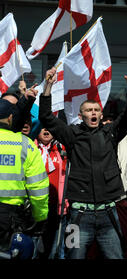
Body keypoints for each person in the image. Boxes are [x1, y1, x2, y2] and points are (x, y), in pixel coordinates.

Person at [39, 67, 127, 259]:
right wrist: (48, 86)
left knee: (117, 256)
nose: (93, 113)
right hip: (78, 216)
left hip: (109, 215)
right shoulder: (71, 134)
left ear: (101, 115)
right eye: (88, 110)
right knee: (73, 256)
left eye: (96, 110)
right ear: (81, 115)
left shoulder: (110, 133)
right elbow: (45, 117)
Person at [0, 99, 49, 258]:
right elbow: (38, 187)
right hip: (10, 219)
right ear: (10, 118)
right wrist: (40, 216)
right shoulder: (25, 144)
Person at [34, 128, 67, 259]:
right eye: (42, 126)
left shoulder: (62, 147)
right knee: (33, 251)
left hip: (57, 208)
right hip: (35, 208)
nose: (46, 129)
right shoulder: (31, 147)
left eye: (48, 126)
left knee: (54, 252)